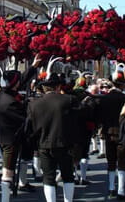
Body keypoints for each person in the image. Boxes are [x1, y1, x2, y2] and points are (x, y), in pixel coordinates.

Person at [28, 72, 79, 202]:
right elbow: (77, 120)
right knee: (68, 176)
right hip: (64, 143)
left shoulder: (34, 104)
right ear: (58, 87)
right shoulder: (68, 100)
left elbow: (31, 127)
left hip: (44, 144)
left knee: (48, 178)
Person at [0, 54, 41, 202]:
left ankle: (15, 188)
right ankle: (4, 199)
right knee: (8, 170)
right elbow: (25, 118)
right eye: (16, 83)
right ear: (13, 85)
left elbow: (20, 79)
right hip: (10, 139)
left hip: (12, 137)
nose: (19, 85)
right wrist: (31, 105)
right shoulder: (9, 102)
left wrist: (34, 66)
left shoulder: (5, 92)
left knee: (14, 165)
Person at [95, 69, 125, 200]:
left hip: (108, 133)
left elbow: (99, 116)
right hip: (122, 133)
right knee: (122, 162)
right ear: (121, 85)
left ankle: (111, 188)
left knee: (111, 162)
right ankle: (121, 190)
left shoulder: (104, 99)